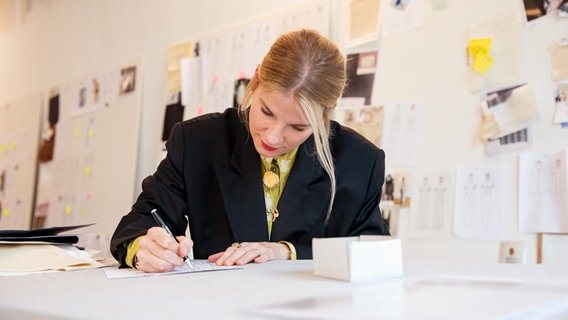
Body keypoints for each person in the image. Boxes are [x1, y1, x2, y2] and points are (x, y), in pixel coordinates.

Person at [110, 29, 389, 273]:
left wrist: (288, 252)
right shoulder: (197, 142)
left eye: (298, 127)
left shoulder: (360, 161)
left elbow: (374, 255)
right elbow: (139, 222)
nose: (273, 136)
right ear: (255, 80)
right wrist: (143, 247)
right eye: (266, 112)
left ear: (326, 115)